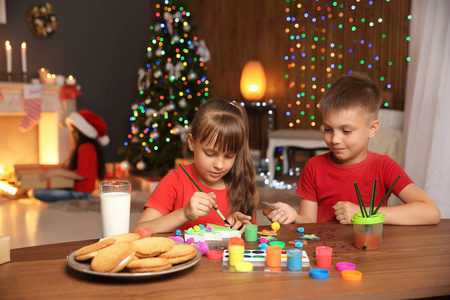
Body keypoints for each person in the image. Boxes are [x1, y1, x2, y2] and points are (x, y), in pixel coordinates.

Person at [263, 72, 441, 226]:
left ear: (372, 129)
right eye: (328, 129)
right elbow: (309, 221)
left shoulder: (384, 166)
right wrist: (294, 217)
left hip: (371, 252)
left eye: (346, 131)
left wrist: (366, 214)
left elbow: (430, 212)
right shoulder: (314, 166)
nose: (335, 139)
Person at [132, 99, 258, 234]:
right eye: (210, 154)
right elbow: (136, 232)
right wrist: (184, 214)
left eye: (229, 156)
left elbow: (251, 242)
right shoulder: (175, 181)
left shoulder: (240, 182)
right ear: (192, 142)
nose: (219, 165)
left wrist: (239, 228)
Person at [30, 109, 108, 202]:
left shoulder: (85, 147)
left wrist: (55, 173)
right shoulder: (88, 147)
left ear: (82, 133)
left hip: (81, 193)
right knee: (38, 191)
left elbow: (82, 175)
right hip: (80, 190)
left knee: (36, 193)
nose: (72, 134)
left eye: (74, 131)